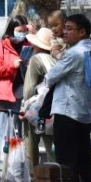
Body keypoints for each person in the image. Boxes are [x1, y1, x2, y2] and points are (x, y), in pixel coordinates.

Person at [44, 14, 91, 182]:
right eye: (64, 28)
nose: (64, 32)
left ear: (82, 32)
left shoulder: (73, 54)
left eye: (69, 28)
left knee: (67, 160)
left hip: (67, 112)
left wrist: (57, 57)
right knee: (85, 159)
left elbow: (50, 77)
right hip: (85, 112)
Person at [0, 15, 30, 182]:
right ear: (12, 29)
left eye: (25, 30)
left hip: (23, 96)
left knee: (18, 140)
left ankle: (16, 176)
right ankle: (2, 179)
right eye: (20, 30)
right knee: (5, 139)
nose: (23, 34)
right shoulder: (0, 46)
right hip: (6, 97)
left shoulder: (28, 45)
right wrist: (12, 66)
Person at [23, 27, 57, 173]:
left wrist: (24, 108)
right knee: (52, 147)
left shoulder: (36, 59)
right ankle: (56, 177)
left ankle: (33, 176)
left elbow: (29, 89)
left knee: (31, 144)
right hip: (53, 109)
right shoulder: (54, 60)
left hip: (37, 109)